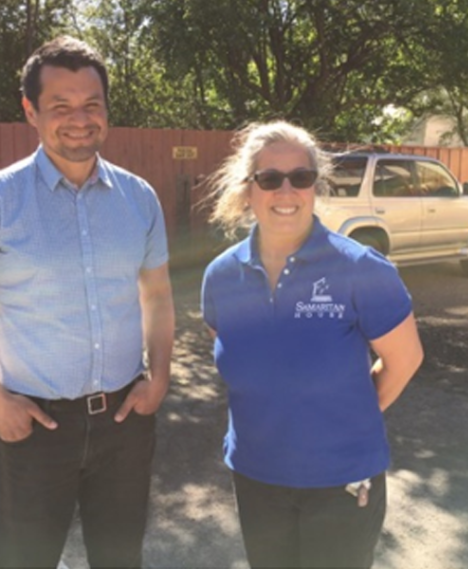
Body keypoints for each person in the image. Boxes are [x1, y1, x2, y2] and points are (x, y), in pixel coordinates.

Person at [201, 121, 424, 568]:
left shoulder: (362, 269)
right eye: (270, 179)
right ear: (249, 190)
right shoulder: (221, 276)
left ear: (315, 185)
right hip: (256, 477)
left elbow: (404, 360)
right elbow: (234, 354)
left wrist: (347, 416)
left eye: (300, 178)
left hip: (340, 481)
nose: (287, 192)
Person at [0, 36, 175, 567]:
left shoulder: (139, 197)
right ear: (31, 110)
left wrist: (160, 376)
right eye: (61, 106)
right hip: (28, 429)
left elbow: (158, 294)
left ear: (106, 110)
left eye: (91, 104)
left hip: (124, 423)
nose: (79, 118)